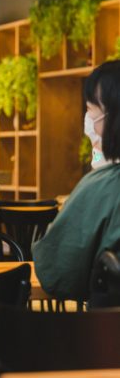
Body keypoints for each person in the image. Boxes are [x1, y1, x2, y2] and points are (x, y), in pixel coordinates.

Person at [33, 60, 120, 302]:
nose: (87, 117)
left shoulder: (103, 186)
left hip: (109, 334)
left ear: (112, 118)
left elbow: (57, 273)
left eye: (91, 108)